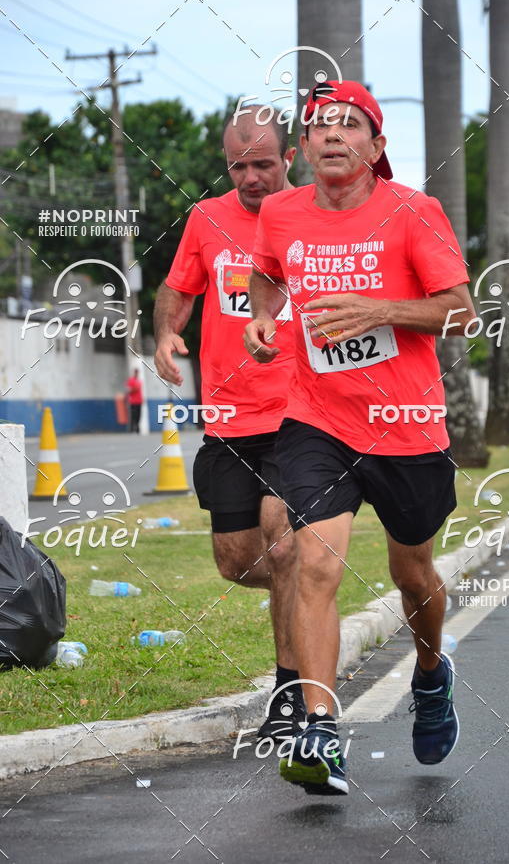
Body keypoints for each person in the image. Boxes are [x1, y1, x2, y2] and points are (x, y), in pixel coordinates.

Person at [245, 80, 475, 795]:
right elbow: (264, 276)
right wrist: (262, 320)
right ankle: (319, 726)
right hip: (317, 419)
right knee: (311, 563)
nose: (333, 134)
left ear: (377, 147)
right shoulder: (281, 211)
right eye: (319, 125)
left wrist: (381, 308)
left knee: (413, 576)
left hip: (406, 426)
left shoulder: (415, 212)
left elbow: (461, 312)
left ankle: (432, 675)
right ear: (305, 147)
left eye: (350, 125)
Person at [153, 107, 304, 739]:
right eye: (238, 166)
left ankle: (291, 689)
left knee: (283, 538)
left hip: (300, 412)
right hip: (228, 415)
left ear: (289, 159)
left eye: (262, 163)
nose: (249, 177)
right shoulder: (206, 218)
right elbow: (179, 286)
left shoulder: (314, 219)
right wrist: (164, 333)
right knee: (238, 561)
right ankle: (312, 592)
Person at [125, 369, 143, 433]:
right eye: (135, 373)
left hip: (139, 401)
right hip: (133, 402)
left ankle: (137, 429)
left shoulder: (139, 381)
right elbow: (128, 390)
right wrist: (134, 388)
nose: (136, 374)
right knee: (133, 415)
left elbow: (140, 391)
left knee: (139, 415)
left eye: (137, 373)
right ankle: (132, 429)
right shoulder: (130, 381)